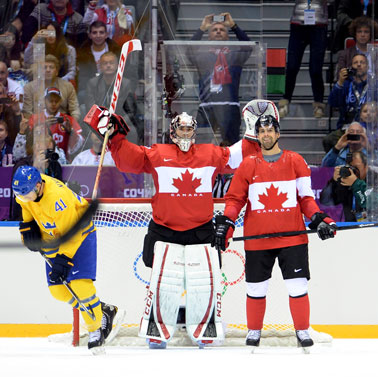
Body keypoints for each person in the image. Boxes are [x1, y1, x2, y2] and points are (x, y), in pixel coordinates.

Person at [86, 107, 259, 348]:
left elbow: (239, 155)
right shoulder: (158, 153)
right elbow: (129, 160)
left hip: (201, 230)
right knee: (162, 284)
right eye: (181, 128)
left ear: (195, 132)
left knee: (204, 284)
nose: (185, 133)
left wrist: (253, 132)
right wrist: (114, 135)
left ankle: (204, 331)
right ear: (172, 131)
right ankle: (157, 332)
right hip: (164, 229)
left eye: (189, 129)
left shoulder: (210, 154)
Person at [216, 114, 337, 348]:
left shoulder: (295, 161)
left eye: (270, 130)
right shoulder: (248, 165)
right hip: (257, 240)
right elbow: (234, 200)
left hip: (292, 239)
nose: (266, 135)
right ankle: (254, 332)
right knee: (255, 288)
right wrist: (227, 222)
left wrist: (319, 220)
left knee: (297, 286)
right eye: (261, 132)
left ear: (278, 133)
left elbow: (306, 199)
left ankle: (302, 330)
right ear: (257, 135)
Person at [12, 165, 121, 354]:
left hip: (80, 234)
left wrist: (63, 259)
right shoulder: (25, 191)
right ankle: (102, 309)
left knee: (80, 286)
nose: (24, 197)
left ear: (38, 186)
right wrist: (27, 226)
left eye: (27, 193)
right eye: (21, 194)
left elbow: (72, 232)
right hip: (53, 236)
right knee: (58, 291)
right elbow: (25, 205)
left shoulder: (57, 199)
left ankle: (96, 330)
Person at [190, 12, 252, 145]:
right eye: (214, 30)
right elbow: (188, 51)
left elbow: (248, 46)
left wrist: (233, 26)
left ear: (228, 36)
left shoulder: (235, 55)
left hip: (229, 106)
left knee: (232, 146)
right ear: (208, 36)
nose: (218, 31)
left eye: (222, 29)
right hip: (207, 106)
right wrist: (202, 28)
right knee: (201, 146)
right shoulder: (202, 56)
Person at [277, 0, 328, 119]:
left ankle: (318, 104)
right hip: (298, 23)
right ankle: (285, 100)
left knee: (316, 69)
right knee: (292, 66)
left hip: (319, 24)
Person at [320, 150, 378, 222]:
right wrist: (333, 181)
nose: (354, 171)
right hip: (354, 228)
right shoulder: (346, 181)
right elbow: (325, 200)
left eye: (356, 168)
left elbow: (375, 205)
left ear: (366, 166)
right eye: (351, 167)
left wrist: (355, 183)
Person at [328, 53, 378, 130]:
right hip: (346, 128)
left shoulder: (377, 86)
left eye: (362, 62)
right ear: (351, 67)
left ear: (368, 67)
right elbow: (333, 103)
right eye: (355, 63)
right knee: (329, 140)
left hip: (368, 128)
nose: (359, 65)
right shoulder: (346, 85)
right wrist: (340, 82)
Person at [335, 16, 378, 91]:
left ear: (371, 34)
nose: (362, 35)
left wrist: (377, 91)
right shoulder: (344, 54)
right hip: (351, 93)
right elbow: (340, 77)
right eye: (359, 31)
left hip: (375, 93)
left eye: (366, 32)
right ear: (355, 34)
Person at [23, 54, 80, 121]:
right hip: (39, 124)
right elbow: (27, 112)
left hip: (62, 124)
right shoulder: (29, 88)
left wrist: (72, 123)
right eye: (45, 67)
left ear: (57, 72)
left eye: (51, 67)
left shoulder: (67, 86)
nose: (48, 70)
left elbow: (74, 109)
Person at [76, 21, 121, 94]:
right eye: (94, 33)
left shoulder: (115, 50)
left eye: (101, 32)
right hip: (91, 89)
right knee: (81, 94)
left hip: (113, 87)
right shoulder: (83, 52)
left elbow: (123, 72)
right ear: (90, 35)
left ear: (106, 35)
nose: (98, 35)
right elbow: (83, 77)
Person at [21, 0, 87, 49]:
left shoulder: (78, 19)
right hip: (41, 55)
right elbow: (26, 34)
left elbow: (82, 47)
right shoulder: (41, 9)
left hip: (65, 58)